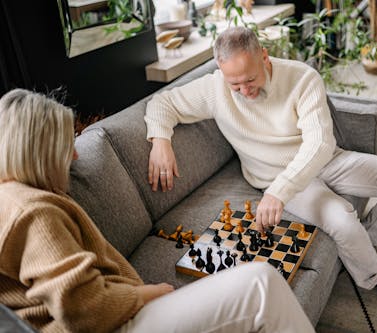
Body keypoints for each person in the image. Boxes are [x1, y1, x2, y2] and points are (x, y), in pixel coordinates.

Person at [145, 26, 377, 317]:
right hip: (276, 176)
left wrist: (278, 193)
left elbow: (320, 143)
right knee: (344, 221)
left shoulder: (302, 77)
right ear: (221, 72)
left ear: (265, 57)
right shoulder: (213, 88)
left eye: (250, 79)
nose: (244, 90)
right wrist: (160, 140)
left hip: (325, 161)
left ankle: (365, 242)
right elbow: (162, 102)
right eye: (235, 84)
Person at [0, 88, 315, 333]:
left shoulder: (14, 197)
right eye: (65, 146)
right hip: (115, 326)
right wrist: (149, 294)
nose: (75, 155)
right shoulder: (31, 212)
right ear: (39, 153)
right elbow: (85, 309)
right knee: (262, 282)